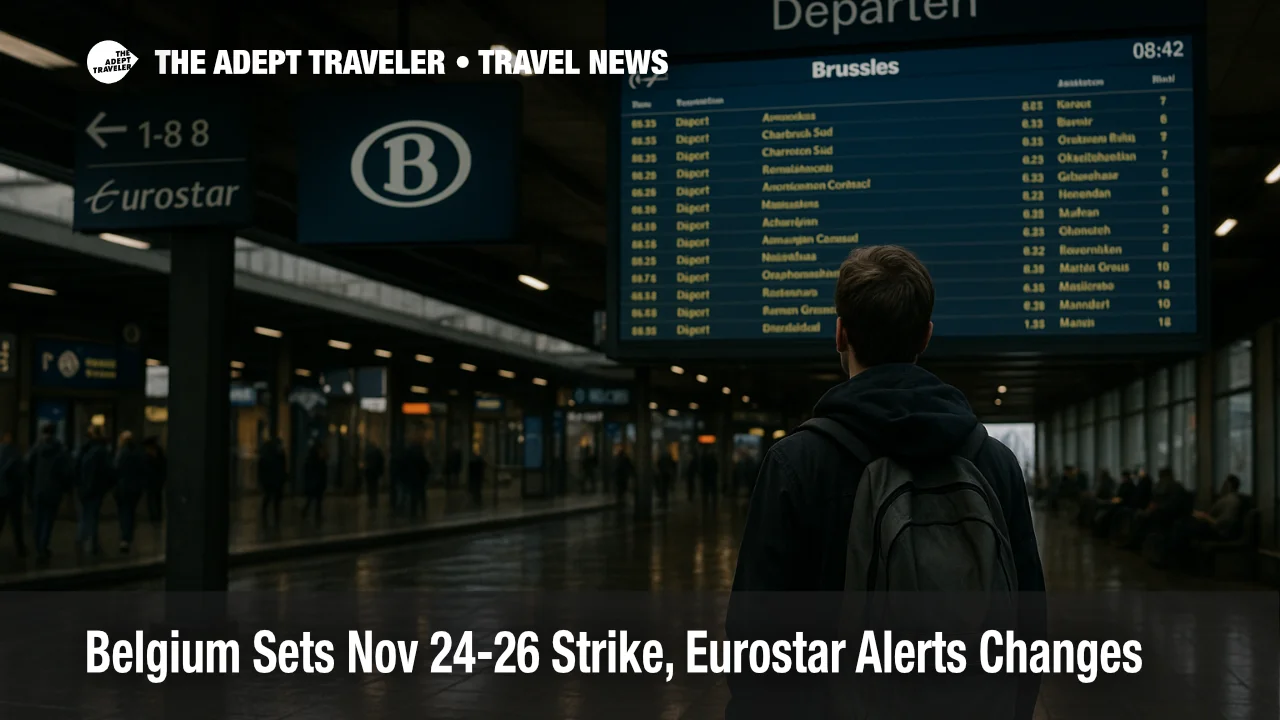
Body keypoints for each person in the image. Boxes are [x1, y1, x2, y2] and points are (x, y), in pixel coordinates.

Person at [726, 246, 1045, 720]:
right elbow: (1029, 626)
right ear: (925, 337)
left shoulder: (796, 463)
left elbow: (756, 640)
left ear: (840, 333)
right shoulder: (994, 464)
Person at [25, 424, 72, 561]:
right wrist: (65, 488)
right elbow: (66, 472)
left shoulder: (37, 448)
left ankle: (39, 545)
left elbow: (27, 466)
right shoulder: (60, 450)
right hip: (53, 491)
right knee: (48, 519)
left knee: (38, 519)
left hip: (38, 489)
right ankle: (43, 545)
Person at [74, 426, 114, 555]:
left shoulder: (85, 449)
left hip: (83, 488)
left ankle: (82, 539)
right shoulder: (102, 451)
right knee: (92, 516)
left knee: (85, 514)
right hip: (96, 489)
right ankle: (92, 543)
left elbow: (76, 467)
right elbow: (108, 471)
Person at [113, 431, 148, 553]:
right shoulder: (138, 453)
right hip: (136, 488)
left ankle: (125, 538)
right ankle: (129, 534)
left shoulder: (122, 454)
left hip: (123, 488)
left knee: (125, 513)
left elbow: (116, 469)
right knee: (130, 511)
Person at [0, 429, 26, 557]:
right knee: (16, 523)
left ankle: (21, 547)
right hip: (12, 493)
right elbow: (20, 473)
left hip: (3, 492)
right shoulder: (14, 453)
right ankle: (20, 548)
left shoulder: (7, 452)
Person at [258, 436, 287, 527]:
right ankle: (271, 516)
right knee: (270, 498)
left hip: (275, 480)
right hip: (271, 480)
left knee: (274, 499)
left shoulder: (278, 454)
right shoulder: (273, 455)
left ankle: (275, 517)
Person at [301, 442, 327, 524]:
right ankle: (309, 513)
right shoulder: (314, 461)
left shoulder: (319, 460)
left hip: (318, 483)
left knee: (316, 501)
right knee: (312, 500)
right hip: (315, 483)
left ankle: (316, 515)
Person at [142, 437, 166, 523]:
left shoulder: (157, 453)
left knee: (155, 499)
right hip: (151, 480)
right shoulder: (149, 454)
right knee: (152, 499)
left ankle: (156, 516)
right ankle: (153, 516)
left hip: (155, 479)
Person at [363, 441, 385, 508]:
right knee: (374, 487)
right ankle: (374, 501)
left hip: (370, 472)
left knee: (370, 487)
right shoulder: (378, 452)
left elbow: (365, 461)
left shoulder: (368, 452)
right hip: (375, 472)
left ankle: (371, 501)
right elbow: (381, 462)